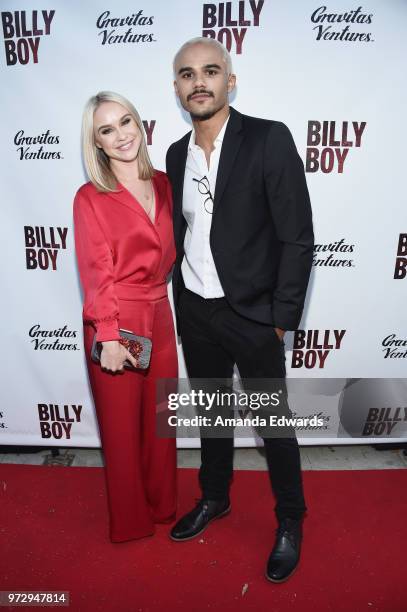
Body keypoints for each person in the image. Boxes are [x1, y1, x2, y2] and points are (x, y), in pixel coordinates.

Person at [166, 38, 314, 582]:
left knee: (273, 425)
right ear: (177, 88)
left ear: (231, 81)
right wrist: (183, 299)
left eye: (210, 71)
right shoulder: (177, 154)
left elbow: (298, 237)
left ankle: (291, 520)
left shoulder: (269, 139)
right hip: (196, 308)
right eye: (187, 74)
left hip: (254, 315)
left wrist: (280, 318)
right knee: (211, 415)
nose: (198, 82)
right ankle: (214, 497)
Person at [73, 91, 177, 543]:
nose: (120, 136)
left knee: (161, 422)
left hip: (161, 312)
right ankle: (131, 522)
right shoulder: (90, 197)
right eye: (106, 130)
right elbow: (96, 273)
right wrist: (109, 336)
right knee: (120, 431)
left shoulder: (164, 184)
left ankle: (163, 506)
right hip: (116, 318)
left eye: (126, 122)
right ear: (96, 143)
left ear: (140, 124)